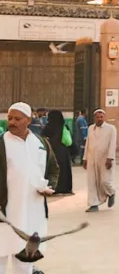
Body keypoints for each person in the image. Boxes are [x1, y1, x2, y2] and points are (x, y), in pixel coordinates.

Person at [0, 102, 59, 274]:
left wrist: (50, 187)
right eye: (9, 118)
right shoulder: (2, 144)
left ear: (28, 120)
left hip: (33, 212)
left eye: (17, 119)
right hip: (5, 212)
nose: (12, 122)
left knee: (25, 262)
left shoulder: (41, 143)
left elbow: (54, 169)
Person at [83, 109, 116, 213]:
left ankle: (111, 193)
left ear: (104, 117)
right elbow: (87, 144)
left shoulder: (111, 129)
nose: (99, 119)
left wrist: (110, 158)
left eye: (101, 117)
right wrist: (85, 159)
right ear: (94, 118)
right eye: (97, 117)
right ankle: (93, 204)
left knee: (105, 181)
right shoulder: (90, 128)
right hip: (92, 158)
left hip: (105, 159)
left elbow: (112, 144)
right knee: (92, 182)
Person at [41, 110, 73, 195]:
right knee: (64, 169)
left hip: (51, 150)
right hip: (63, 151)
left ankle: (54, 187)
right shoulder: (64, 126)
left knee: (53, 169)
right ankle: (65, 188)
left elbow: (43, 138)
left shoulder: (48, 127)